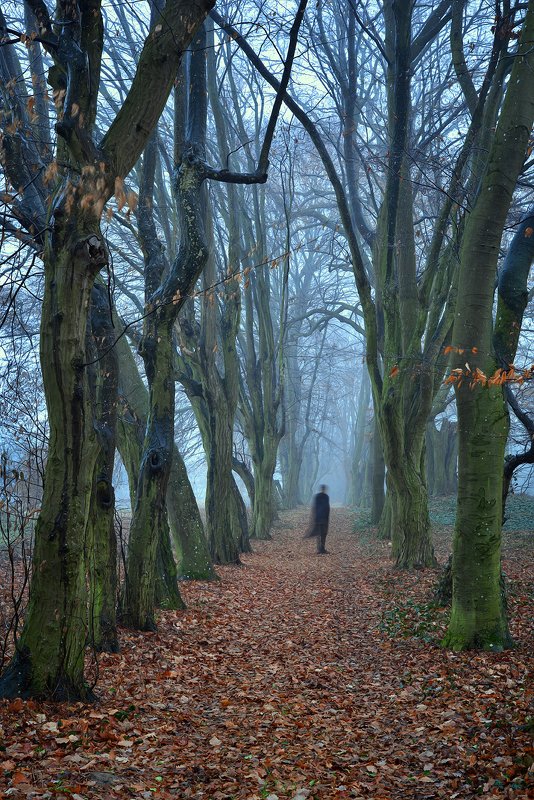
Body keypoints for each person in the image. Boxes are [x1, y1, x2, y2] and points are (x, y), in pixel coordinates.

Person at [304, 485, 330, 554]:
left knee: (321, 534)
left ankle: (321, 549)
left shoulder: (321, 496)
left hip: (320, 518)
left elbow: (316, 507)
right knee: (321, 534)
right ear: (323, 489)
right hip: (321, 518)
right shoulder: (324, 497)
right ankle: (321, 549)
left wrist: (314, 517)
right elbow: (326, 508)